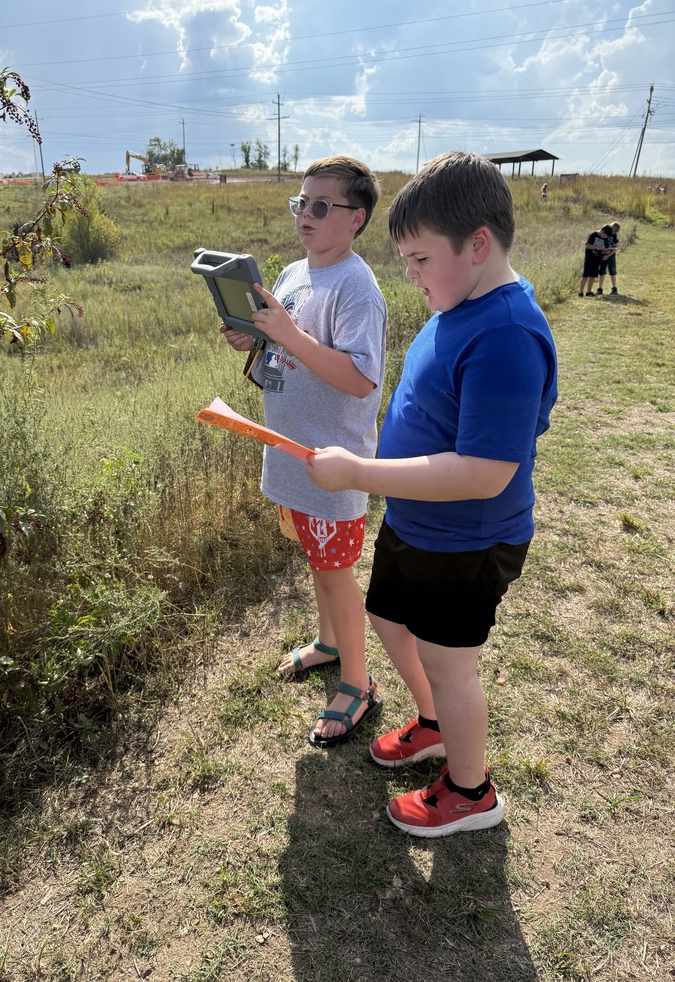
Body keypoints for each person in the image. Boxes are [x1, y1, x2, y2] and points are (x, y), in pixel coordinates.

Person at [307, 151, 558, 837]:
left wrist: (360, 474)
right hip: (419, 527)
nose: (408, 275)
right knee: (389, 617)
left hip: (467, 541)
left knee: (452, 667)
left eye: (419, 259)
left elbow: (484, 472)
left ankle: (471, 791)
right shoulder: (463, 299)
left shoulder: (505, 334)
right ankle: (435, 726)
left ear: (478, 245)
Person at [220, 156, 387, 748]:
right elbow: (280, 351)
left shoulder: (357, 289)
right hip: (293, 458)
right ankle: (329, 643)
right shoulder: (293, 274)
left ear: (356, 219)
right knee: (318, 566)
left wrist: (289, 335)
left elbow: (361, 378)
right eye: (301, 203)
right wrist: (257, 337)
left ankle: (358, 684)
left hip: (332, 468)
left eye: (322, 206)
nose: (306, 215)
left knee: (338, 574)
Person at [579, 226, 609, 296]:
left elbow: (605, 249)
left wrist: (606, 251)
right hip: (589, 259)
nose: (606, 237)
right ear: (602, 232)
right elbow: (587, 245)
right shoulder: (593, 235)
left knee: (592, 276)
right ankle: (580, 292)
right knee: (585, 275)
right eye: (606, 235)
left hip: (597, 259)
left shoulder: (606, 238)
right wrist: (597, 247)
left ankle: (589, 292)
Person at [597, 222, 620, 295]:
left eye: (614, 231)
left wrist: (608, 255)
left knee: (612, 272)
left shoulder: (614, 236)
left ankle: (614, 288)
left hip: (611, 256)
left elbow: (615, 248)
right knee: (602, 272)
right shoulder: (604, 234)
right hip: (603, 255)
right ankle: (600, 288)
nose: (612, 232)